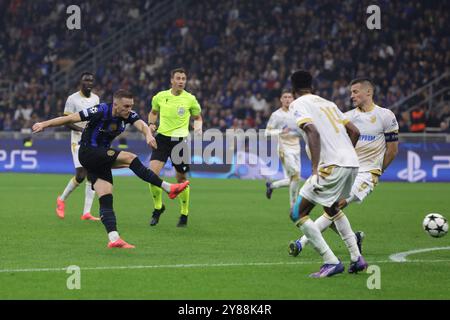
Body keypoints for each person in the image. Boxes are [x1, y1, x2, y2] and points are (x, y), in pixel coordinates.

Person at [32, 89, 190, 248]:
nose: (129, 109)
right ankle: (168, 188)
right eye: (126, 106)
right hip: (88, 152)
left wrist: (148, 135)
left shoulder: (128, 115)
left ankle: (114, 238)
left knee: (106, 198)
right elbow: (70, 118)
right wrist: (44, 124)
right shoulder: (101, 110)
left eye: (131, 106)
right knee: (130, 158)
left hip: (99, 158)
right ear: (115, 105)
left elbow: (141, 125)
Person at [290, 78, 399, 261]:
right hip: (349, 167)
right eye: (351, 92)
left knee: (333, 206)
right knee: (332, 207)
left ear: (368, 92)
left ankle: (303, 241)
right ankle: (354, 244)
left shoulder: (385, 116)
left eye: (355, 92)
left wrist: (378, 171)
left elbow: (393, 150)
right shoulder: (348, 115)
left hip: (367, 173)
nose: (352, 96)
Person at [288, 70, 365, 278]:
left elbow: (312, 131)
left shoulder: (298, 104)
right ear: (312, 86)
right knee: (331, 208)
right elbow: (355, 132)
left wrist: (314, 169)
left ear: (293, 90)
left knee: (298, 213)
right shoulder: (328, 103)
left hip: (330, 166)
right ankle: (357, 258)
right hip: (351, 164)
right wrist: (346, 153)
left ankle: (330, 261)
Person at [147, 68, 203, 227]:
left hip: (180, 142)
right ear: (171, 80)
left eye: (183, 79)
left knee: (181, 179)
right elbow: (153, 112)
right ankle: (158, 208)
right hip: (162, 139)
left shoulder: (190, 99)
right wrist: (151, 124)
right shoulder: (160, 96)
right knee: (151, 175)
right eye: (178, 78)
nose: (181, 81)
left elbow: (198, 117)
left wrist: (198, 127)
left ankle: (184, 213)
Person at [56, 72, 100, 221]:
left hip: (92, 140)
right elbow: (66, 121)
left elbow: (96, 118)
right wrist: (82, 130)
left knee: (92, 175)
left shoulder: (96, 99)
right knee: (81, 174)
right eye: (86, 80)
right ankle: (61, 200)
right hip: (77, 140)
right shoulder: (72, 99)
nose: (89, 83)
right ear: (81, 82)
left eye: (91, 80)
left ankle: (86, 212)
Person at [265, 90, 302, 208]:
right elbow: (267, 133)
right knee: (295, 176)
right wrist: (281, 131)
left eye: (289, 97)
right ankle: (294, 206)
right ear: (281, 99)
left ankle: (272, 186)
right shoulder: (277, 115)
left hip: (297, 148)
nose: (287, 99)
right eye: (285, 97)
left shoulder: (298, 113)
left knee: (294, 179)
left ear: (293, 99)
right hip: (284, 148)